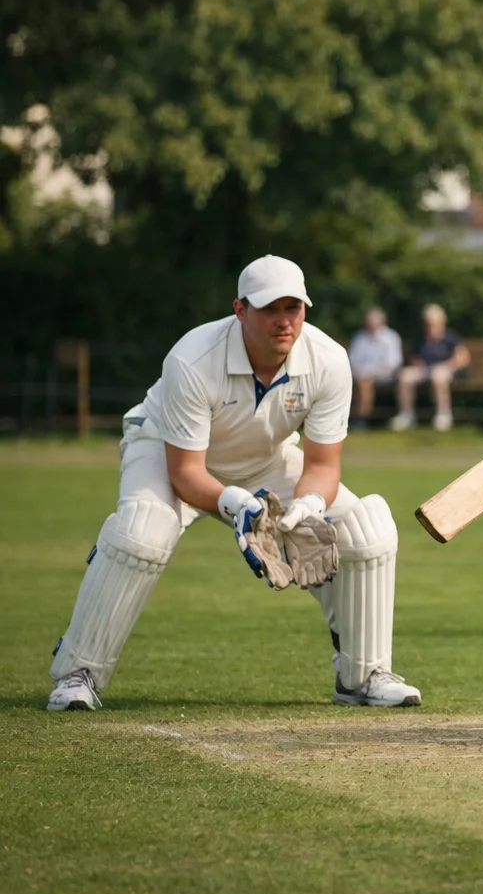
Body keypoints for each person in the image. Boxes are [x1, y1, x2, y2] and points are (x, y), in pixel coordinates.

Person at [47, 255, 420, 711]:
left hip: (266, 458)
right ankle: (76, 674)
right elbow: (186, 473)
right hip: (164, 447)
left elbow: (323, 464)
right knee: (144, 530)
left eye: (294, 308)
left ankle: (362, 677)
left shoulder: (328, 360)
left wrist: (309, 505)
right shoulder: (192, 358)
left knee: (368, 527)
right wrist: (234, 504)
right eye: (269, 309)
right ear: (240, 309)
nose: (284, 321)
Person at [391, 302, 471, 432]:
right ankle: (407, 414)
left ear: (442, 322)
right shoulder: (422, 339)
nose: (430, 326)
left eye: (433, 323)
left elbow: (463, 357)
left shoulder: (450, 337)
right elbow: (414, 357)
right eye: (428, 323)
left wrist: (447, 365)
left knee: (438, 375)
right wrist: (418, 364)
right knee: (405, 376)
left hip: (447, 371)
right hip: (426, 370)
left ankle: (443, 415)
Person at [347, 306, 403, 427]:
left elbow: (393, 363)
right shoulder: (360, 337)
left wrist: (372, 373)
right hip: (360, 374)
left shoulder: (391, 338)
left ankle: (362, 417)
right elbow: (352, 360)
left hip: (385, 376)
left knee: (364, 382)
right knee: (358, 380)